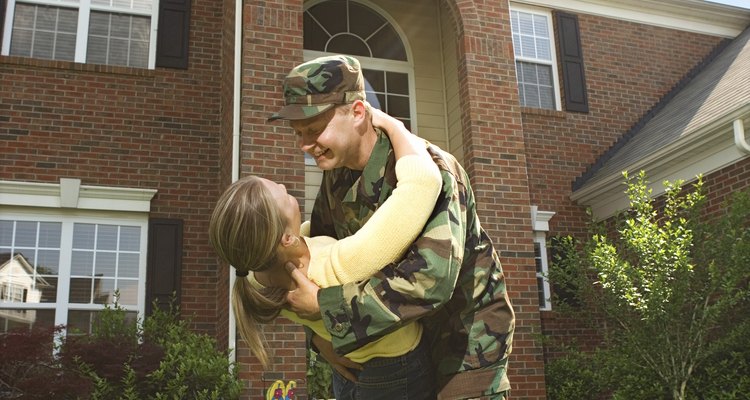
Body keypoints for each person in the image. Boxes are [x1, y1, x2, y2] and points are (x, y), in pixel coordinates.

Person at [269, 54, 516, 400]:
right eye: (298, 134)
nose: (304, 146)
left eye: (313, 130)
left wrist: (330, 311)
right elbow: (317, 261)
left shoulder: (430, 168)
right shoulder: (336, 176)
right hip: (386, 353)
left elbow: (430, 280)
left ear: (357, 112)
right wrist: (321, 337)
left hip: (461, 349)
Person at [209, 107, 441, 399]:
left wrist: (319, 340)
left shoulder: (258, 277)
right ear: (286, 238)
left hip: (346, 366)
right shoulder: (335, 268)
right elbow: (423, 184)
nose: (283, 185)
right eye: (283, 194)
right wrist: (394, 127)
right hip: (394, 370)